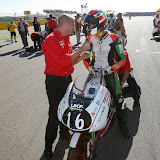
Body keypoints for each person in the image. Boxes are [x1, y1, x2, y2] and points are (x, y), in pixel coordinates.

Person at [42, 14, 90, 159]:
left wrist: (81, 57)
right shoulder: (50, 40)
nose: (76, 27)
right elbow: (64, 61)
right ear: (67, 24)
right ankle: (48, 146)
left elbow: (70, 61)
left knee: (67, 109)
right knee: (54, 114)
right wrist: (81, 49)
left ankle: (64, 134)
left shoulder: (66, 39)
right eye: (73, 24)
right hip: (55, 81)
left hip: (66, 79)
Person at [82, 9, 131, 139]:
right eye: (88, 24)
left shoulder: (115, 38)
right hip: (94, 73)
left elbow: (123, 59)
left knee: (118, 99)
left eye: (91, 24)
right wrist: (90, 68)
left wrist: (112, 68)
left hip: (109, 73)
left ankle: (123, 125)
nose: (89, 27)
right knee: (84, 96)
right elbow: (85, 57)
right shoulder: (89, 38)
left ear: (100, 22)